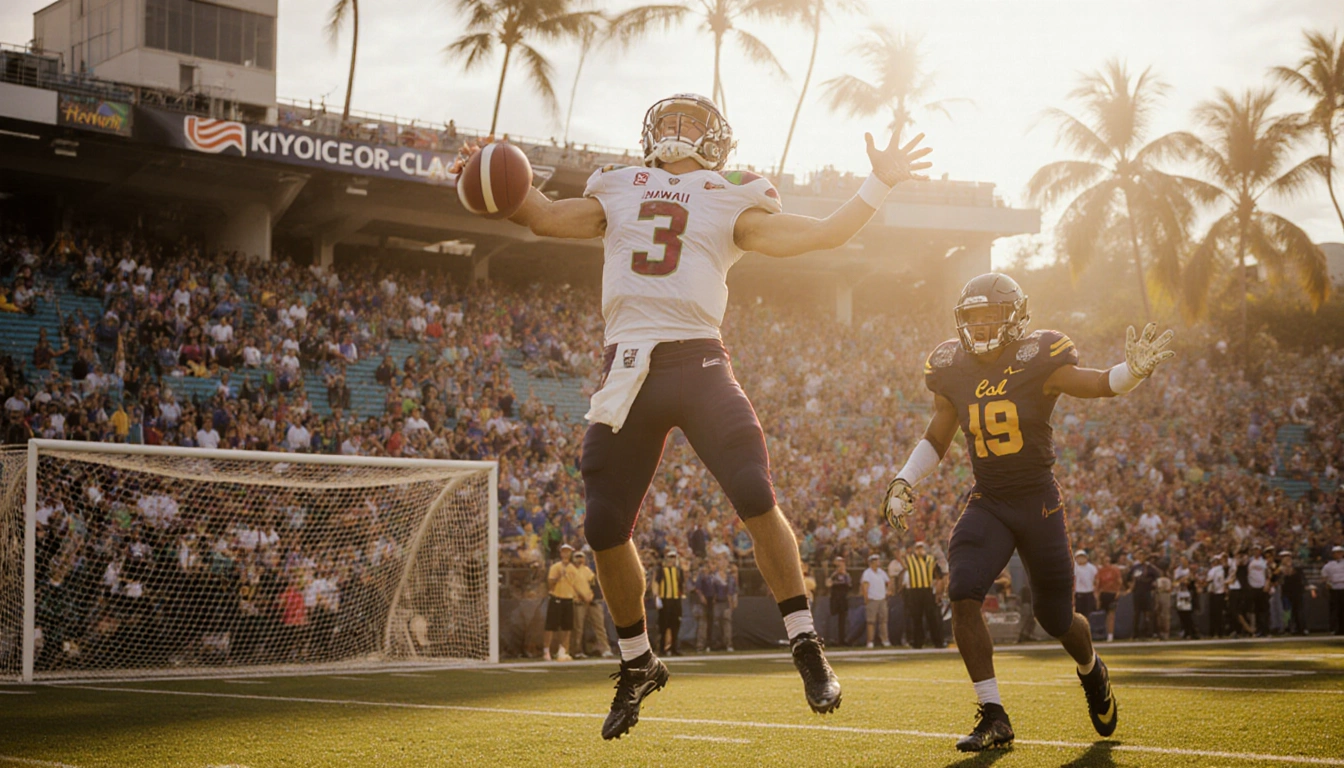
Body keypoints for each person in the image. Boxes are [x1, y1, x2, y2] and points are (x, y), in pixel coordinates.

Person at [479, 92, 931, 739]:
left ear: (717, 138)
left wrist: (878, 182)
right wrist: (488, 174)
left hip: (698, 359)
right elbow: (543, 216)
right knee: (603, 525)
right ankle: (638, 662)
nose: (675, 128)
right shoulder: (618, 185)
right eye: (667, 119)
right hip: (627, 365)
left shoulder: (728, 193)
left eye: (690, 121)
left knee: (753, 490)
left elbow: (823, 234)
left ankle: (805, 643)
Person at [883, 273, 1176, 751]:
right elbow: (938, 434)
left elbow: (1097, 383)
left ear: (1015, 318)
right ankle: (993, 714)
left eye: (990, 315)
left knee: (1056, 618)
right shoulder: (951, 366)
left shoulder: (1039, 355)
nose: (979, 326)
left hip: (1039, 501)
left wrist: (1131, 372)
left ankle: (1091, 669)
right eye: (972, 317)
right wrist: (904, 478)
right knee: (962, 591)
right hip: (990, 500)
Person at [903, 541, 943, 649]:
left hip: (927, 590)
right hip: (914, 591)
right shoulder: (910, 559)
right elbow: (900, 556)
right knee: (916, 617)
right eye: (917, 548)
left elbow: (939, 576)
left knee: (932, 617)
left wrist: (938, 591)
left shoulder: (931, 560)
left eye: (921, 548)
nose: (919, 551)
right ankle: (917, 642)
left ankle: (938, 642)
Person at [543, 543, 579, 662]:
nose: (566, 554)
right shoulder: (555, 567)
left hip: (568, 598)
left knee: (567, 627)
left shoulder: (573, 568)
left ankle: (563, 650)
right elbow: (550, 584)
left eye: (568, 551)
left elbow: (575, 584)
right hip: (556, 597)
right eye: (564, 551)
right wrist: (558, 577)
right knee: (551, 626)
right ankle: (546, 650)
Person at [571, 550, 607, 659]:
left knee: (599, 626)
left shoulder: (587, 570)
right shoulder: (570, 570)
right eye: (577, 557)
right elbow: (572, 585)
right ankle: (577, 650)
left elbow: (593, 584)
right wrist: (583, 596)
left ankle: (605, 649)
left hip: (591, 601)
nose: (579, 559)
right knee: (578, 628)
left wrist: (592, 596)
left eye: (581, 557)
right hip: (578, 601)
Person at [654, 549, 686, 656]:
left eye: (673, 557)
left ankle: (674, 647)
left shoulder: (678, 570)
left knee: (675, 624)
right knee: (663, 625)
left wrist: (681, 595)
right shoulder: (661, 570)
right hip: (665, 599)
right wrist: (657, 597)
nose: (672, 560)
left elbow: (681, 584)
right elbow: (656, 583)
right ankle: (662, 648)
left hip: (676, 599)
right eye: (670, 557)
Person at [1126, 550, 1160, 640]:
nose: (1141, 557)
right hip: (1137, 592)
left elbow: (1157, 576)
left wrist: (1153, 584)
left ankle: (1149, 632)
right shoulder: (1135, 567)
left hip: (1147, 592)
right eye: (1140, 556)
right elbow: (1128, 578)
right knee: (1136, 613)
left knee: (1148, 613)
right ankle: (1135, 634)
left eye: (1143, 555)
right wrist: (1131, 586)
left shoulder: (1150, 567)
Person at [861, 554, 891, 648]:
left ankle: (885, 640)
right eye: (875, 560)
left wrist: (888, 591)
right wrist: (866, 598)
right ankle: (870, 641)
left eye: (878, 560)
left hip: (882, 599)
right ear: (871, 562)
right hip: (872, 599)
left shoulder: (881, 572)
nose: (878, 562)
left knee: (883, 621)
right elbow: (865, 586)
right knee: (871, 622)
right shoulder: (867, 573)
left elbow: (888, 582)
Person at [827, 556, 852, 647]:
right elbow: (828, 584)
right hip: (835, 600)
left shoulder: (847, 576)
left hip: (843, 599)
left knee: (843, 620)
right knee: (834, 620)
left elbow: (849, 586)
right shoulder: (833, 575)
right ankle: (834, 639)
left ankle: (842, 639)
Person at [1206, 553, 1229, 638]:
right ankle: (1213, 632)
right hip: (1214, 592)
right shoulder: (1213, 570)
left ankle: (1219, 632)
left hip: (1219, 592)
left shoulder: (1220, 569)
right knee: (1213, 613)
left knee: (1218, 613)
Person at [1323, 545, 1344, 636]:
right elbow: (1324, 576)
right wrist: (1327, 584)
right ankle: (1335, 628)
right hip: (1334, 588)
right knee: (1335, 610)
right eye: (1336, 553)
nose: (1338, 554)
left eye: (1340, 552)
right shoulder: (1329, 565)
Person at [1073, 550, 1098, 623]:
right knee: (1078, 614)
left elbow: (1096, 580)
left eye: (1082, 557)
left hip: (1089, 593)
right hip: (1078, 593)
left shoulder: (1092, 568)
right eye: (1079, 557)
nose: (1081, 559)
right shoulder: (1073, 568)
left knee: (1088, 613)